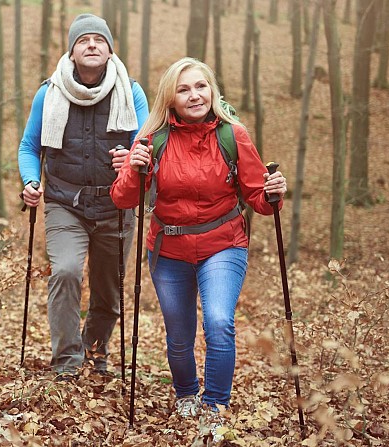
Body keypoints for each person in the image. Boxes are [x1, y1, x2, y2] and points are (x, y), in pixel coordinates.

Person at [110, 57, 287, 436]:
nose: (194, 96)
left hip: (223, 243)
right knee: (179, 334)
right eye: (184, 89)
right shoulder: (152, 139)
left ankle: (214, 404)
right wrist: (134, 168)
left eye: (201, 87)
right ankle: (186, 394)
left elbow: (258, 198)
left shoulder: (233, 135)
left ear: (213, 91)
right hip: (168, 250)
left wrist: (273, 194)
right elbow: (124, 200)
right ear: (170, 98)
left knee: (220, 321)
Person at [17, 14, 149, 381]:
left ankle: (95, 349)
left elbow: (148, 144)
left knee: (109, 290)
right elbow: (29, 147)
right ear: (72, 52)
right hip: (65, 202)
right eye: (83, 40)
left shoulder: (131, 91)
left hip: (117, 205)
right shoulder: (50, 92)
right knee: (66, 271)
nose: (92, 45)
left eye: (99, 40)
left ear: (109, 50)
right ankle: (67, 361)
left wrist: (134, 160)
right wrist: (30, 181)